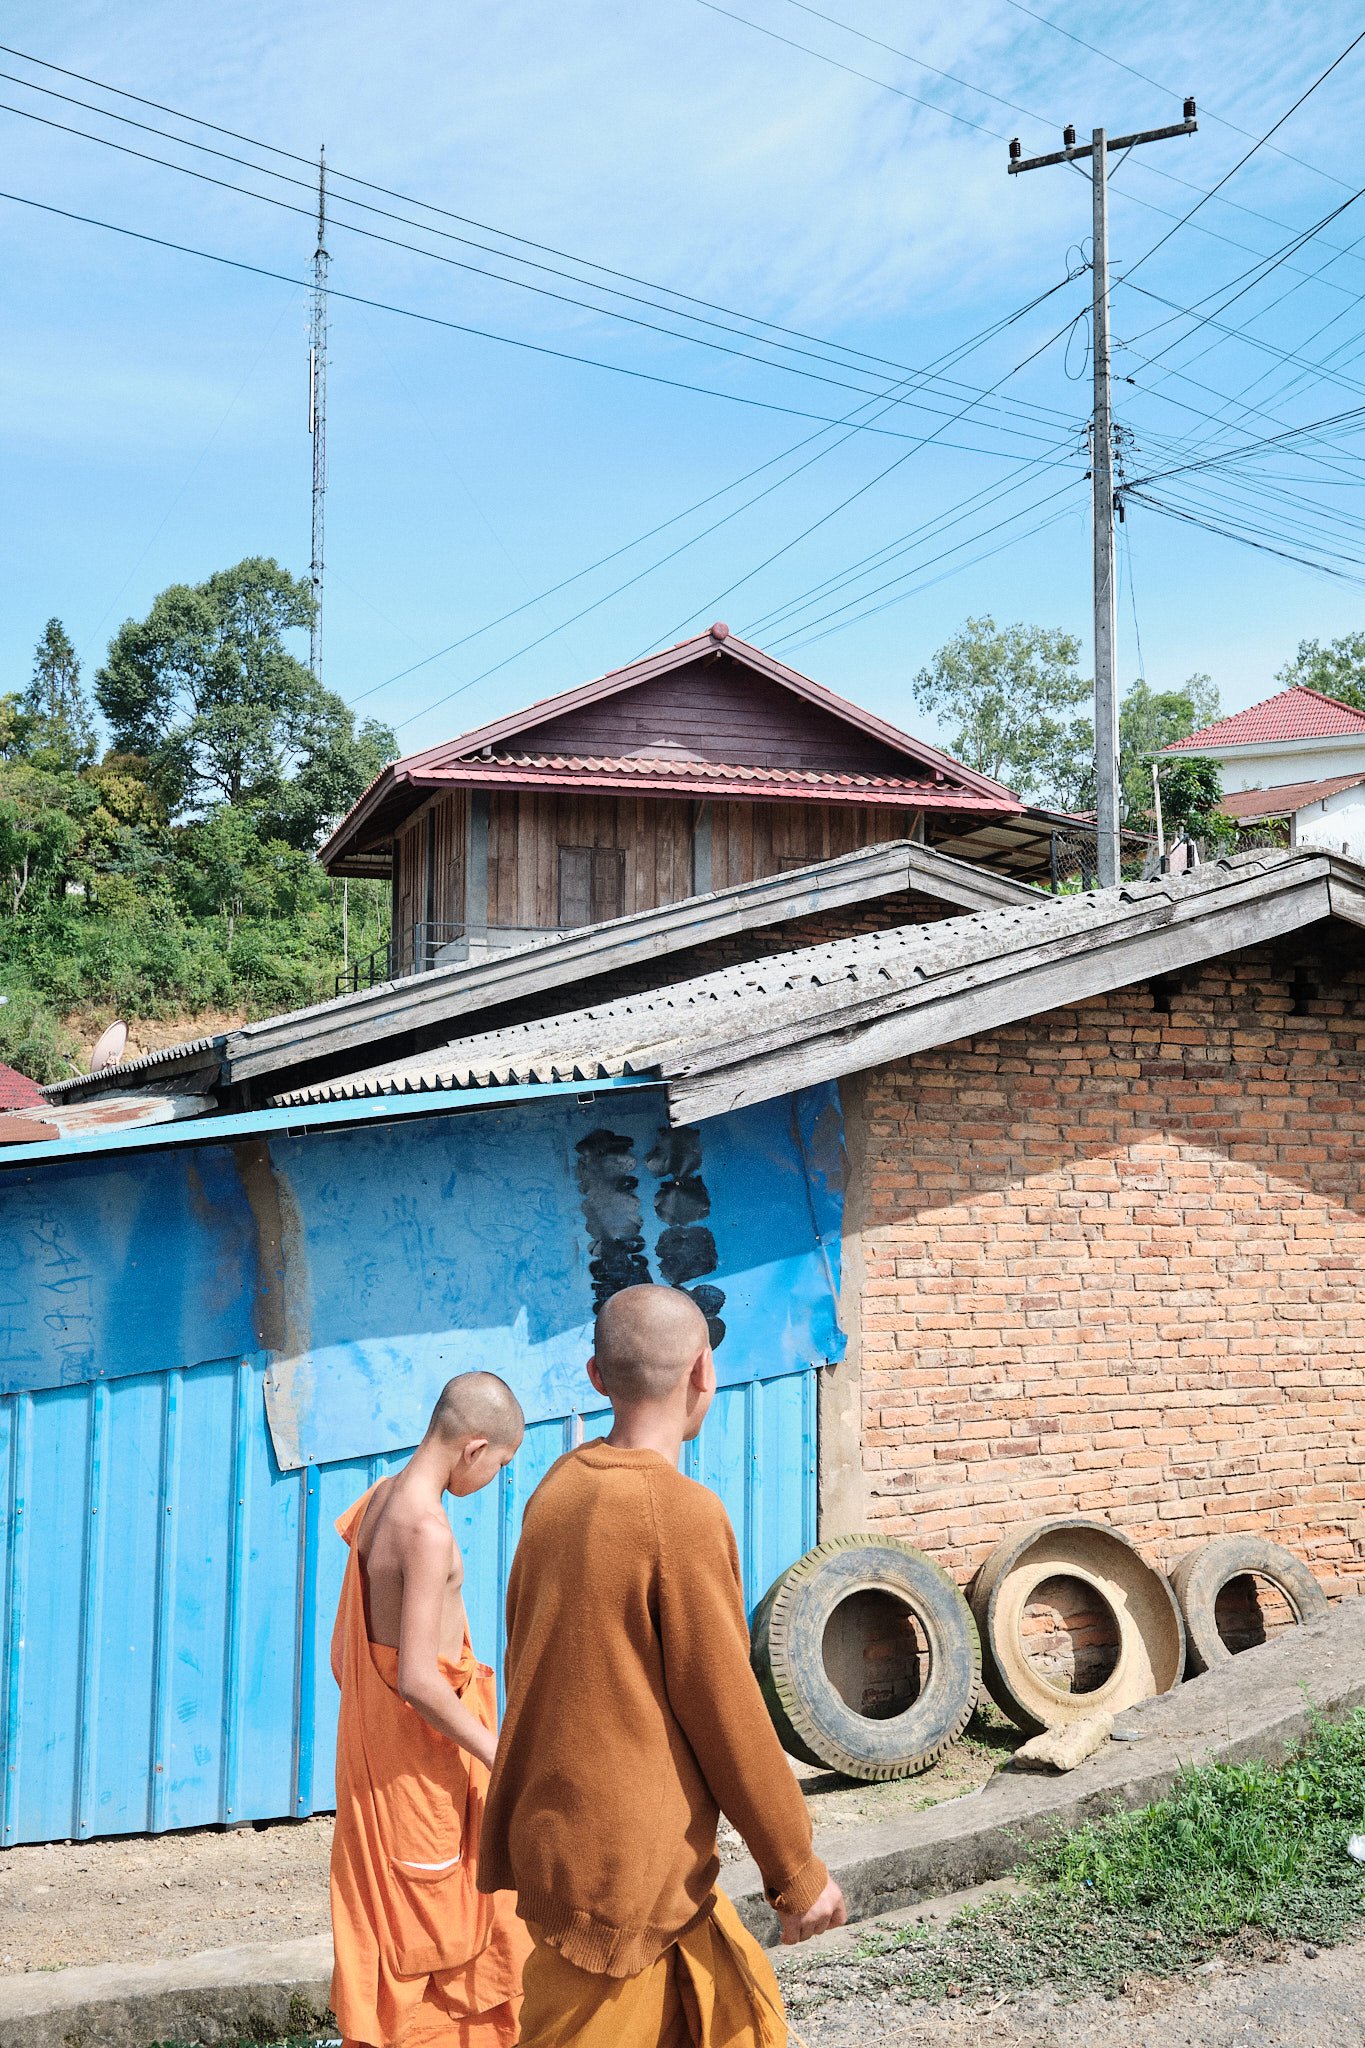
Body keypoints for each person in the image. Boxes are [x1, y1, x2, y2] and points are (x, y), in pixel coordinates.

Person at [480, 1284, 846, 2046]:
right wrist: (795, 1871)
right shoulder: (680, 1513)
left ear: (595, 1377)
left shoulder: (557, 1489)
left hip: (569, 1844)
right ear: (703, 1373)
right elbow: (725, 1710)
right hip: (624, 1876)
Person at [329, 1371, 533, 2048]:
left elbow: (347, 1655)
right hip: (420, 1775)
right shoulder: (426, 1531)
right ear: (473, 1448)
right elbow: (418, 1678)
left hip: (382, 1762)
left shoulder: (380, 1499)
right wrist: (499, 1756)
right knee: (444, 1941)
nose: (497, 1478)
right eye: (500, 1464)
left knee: (426, 1928)